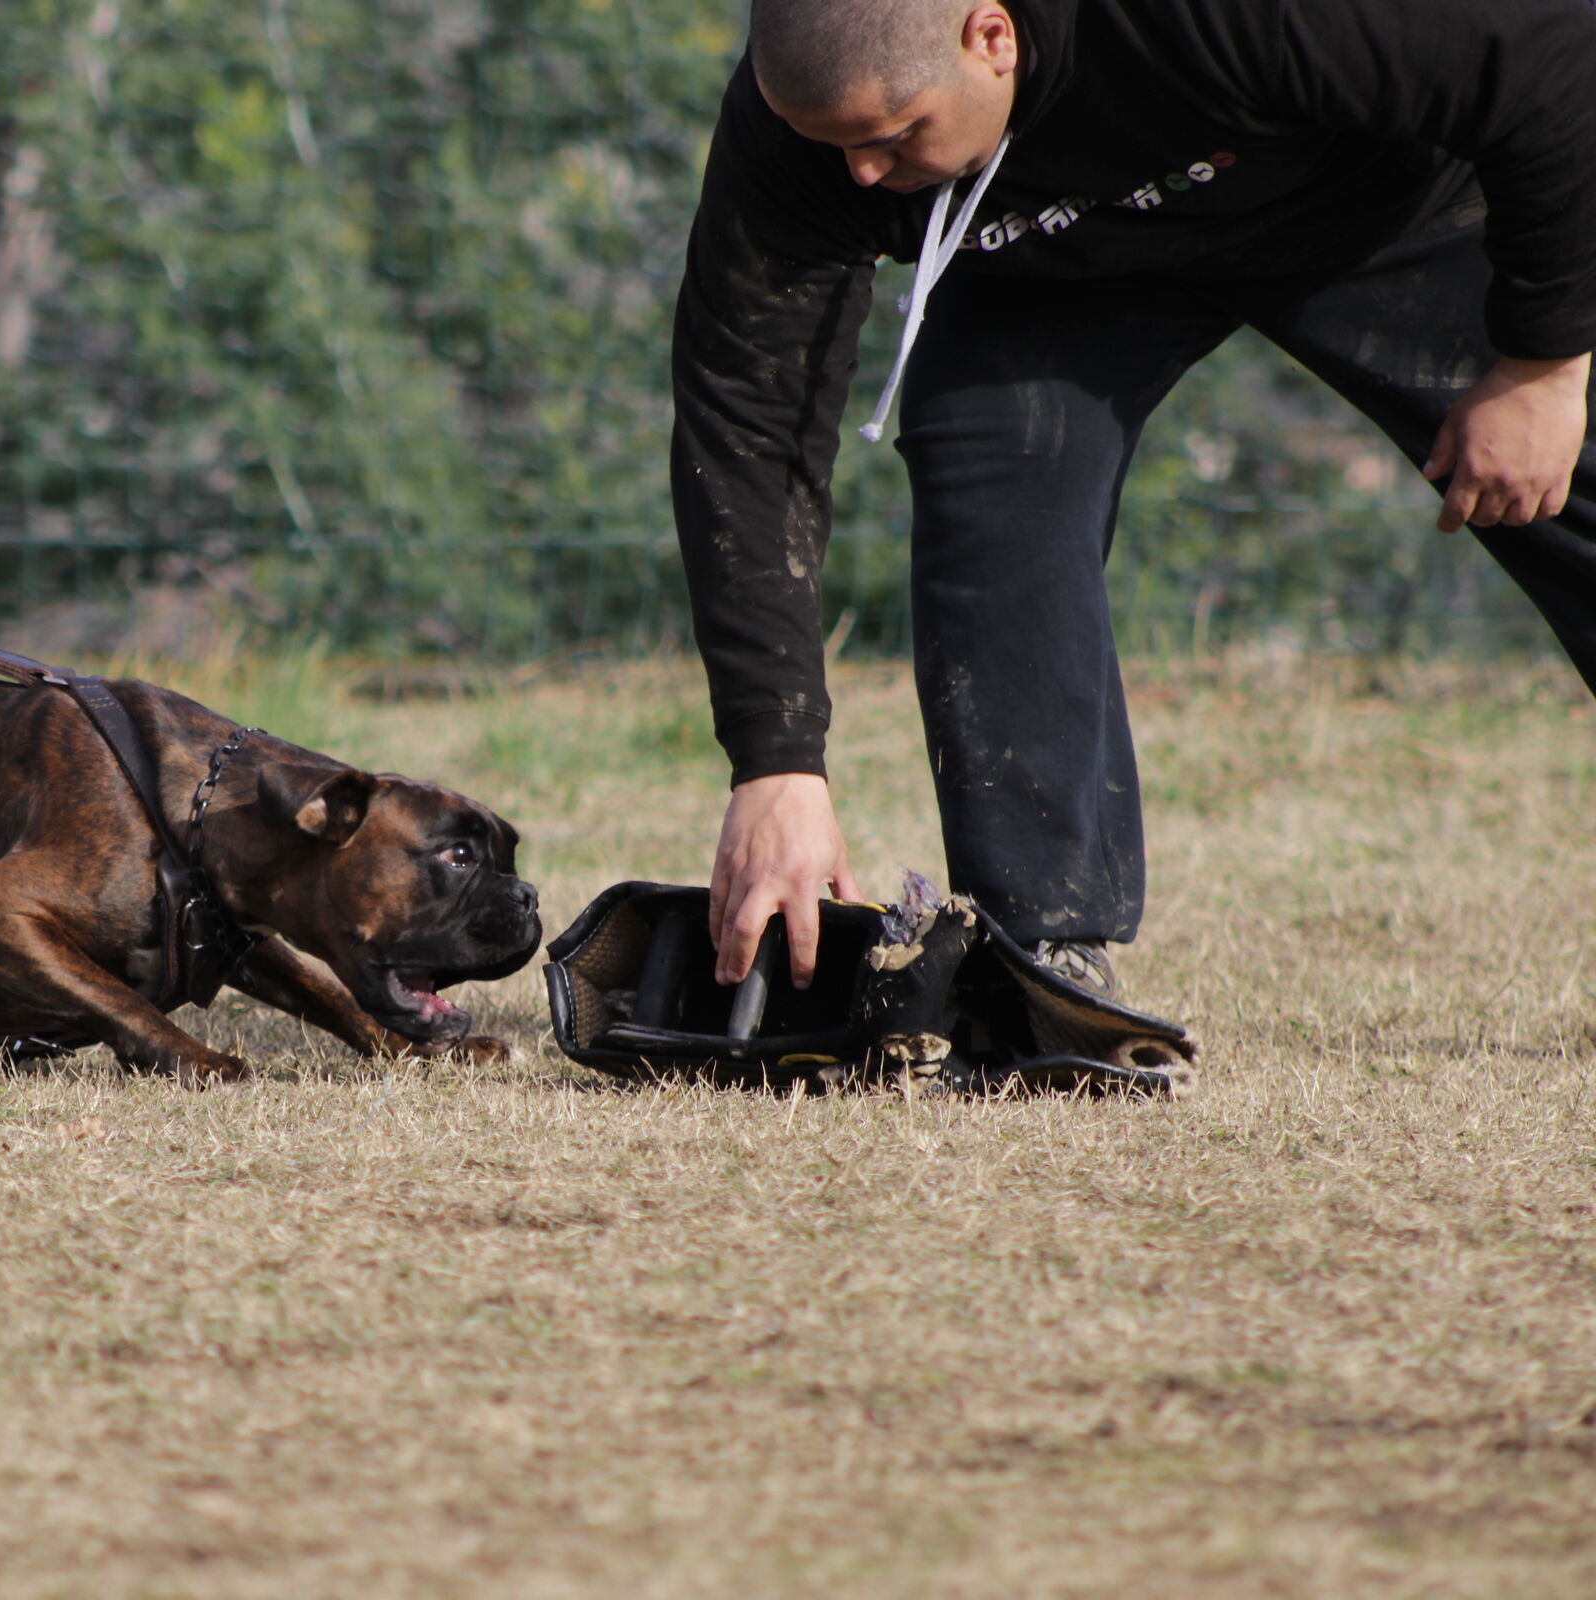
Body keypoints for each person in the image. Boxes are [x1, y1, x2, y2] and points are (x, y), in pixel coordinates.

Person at [676, 0, 1596, 996]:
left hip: (1367, 197)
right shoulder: (800, 135)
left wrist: (1545, 366)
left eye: (890, 136)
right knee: (987, 465)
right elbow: (747, 426)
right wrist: (776, 764)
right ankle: (1044, 957)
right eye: (836, 146)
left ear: (992, 37)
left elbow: (1553, 57)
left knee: (1567, 477)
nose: (858, 171)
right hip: (1064, 263)